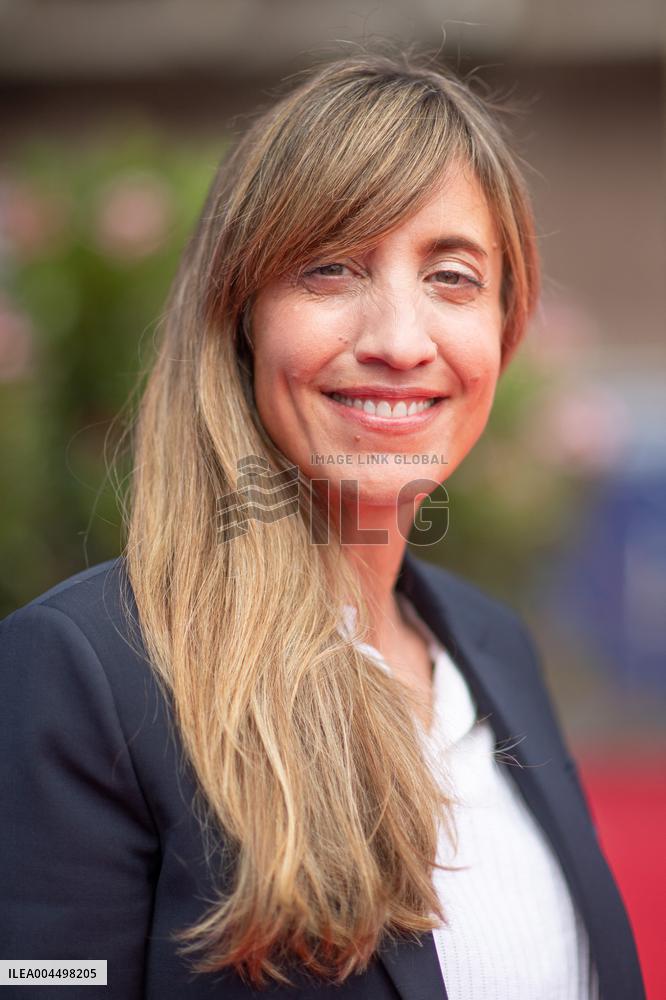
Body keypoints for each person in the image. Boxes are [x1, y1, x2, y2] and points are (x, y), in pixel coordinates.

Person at [0, 50, 645, 1000]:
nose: (397, 339)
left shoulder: (495, 651)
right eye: (331, 268)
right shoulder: (83, 672)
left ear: (504, 331)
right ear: (241, 318)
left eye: (453, 277)